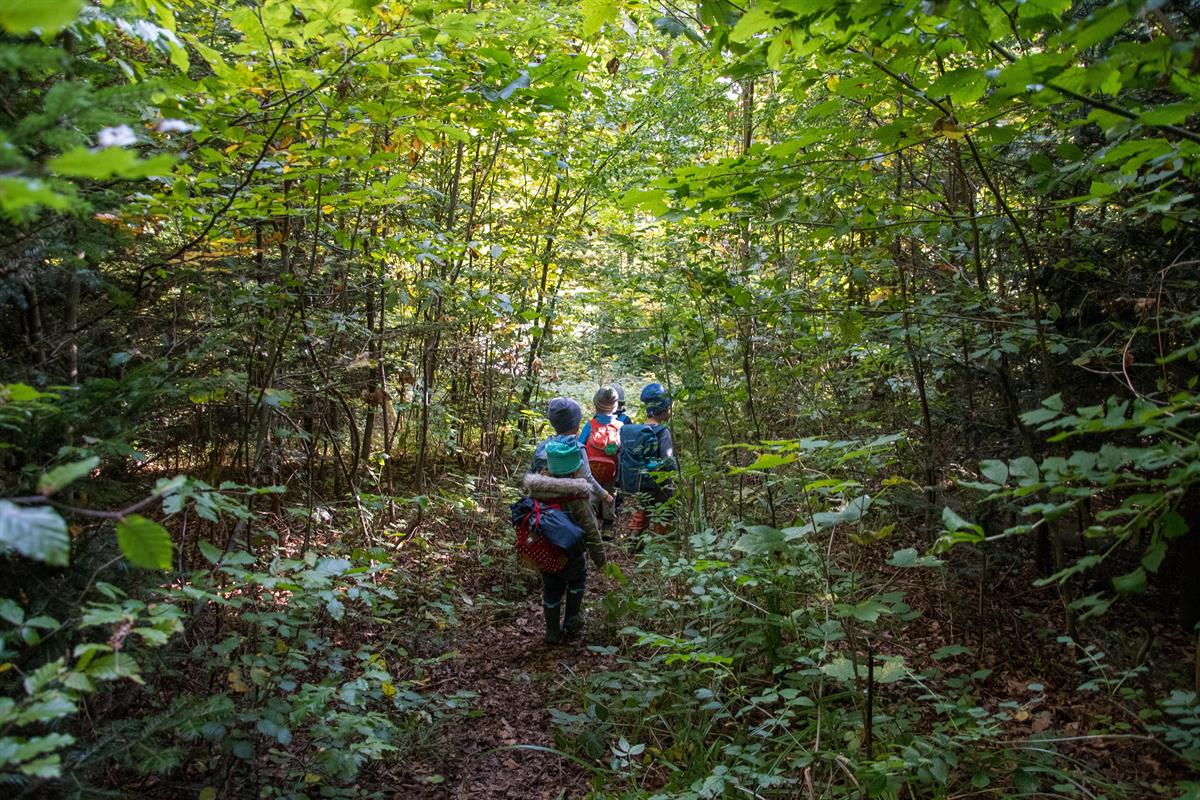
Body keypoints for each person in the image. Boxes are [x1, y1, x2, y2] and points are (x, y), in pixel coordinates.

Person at [524, 440, 606, 644]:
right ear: (575, 468)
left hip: (546, 552)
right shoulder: (576, 495)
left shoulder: (537, 490)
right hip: (571, 553)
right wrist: (601, 560)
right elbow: (590, 529)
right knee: (577, 581)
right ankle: (571, 622)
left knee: (551, 587)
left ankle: (552, 631)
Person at [530, 397, 615, 511]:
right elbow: (587, 477)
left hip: (544, 503)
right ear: (576, 425)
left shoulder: (542, 446)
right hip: (572, 503)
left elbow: (533, 472)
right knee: (591, 526)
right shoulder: (577, 448)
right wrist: (605, 495)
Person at [628, 382, 678, 537]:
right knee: (665, 513)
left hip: (641, 482)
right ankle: (662, 541)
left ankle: (633, 538)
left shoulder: (638, 430)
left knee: (643, 508)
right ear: (662, 410)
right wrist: (677, 475)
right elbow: (668, 460)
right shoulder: (663, 432)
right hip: (660, 484)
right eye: (668, 407)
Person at [578, 386, 623, 534]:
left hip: (592, 470)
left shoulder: (590, 425)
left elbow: (580, 444)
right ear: (615, 406)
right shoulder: (620, 426)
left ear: (596, 405)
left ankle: (593, 524)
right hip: (611, 471)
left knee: (592, 494)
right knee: (610, 494)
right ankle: (608, 527)